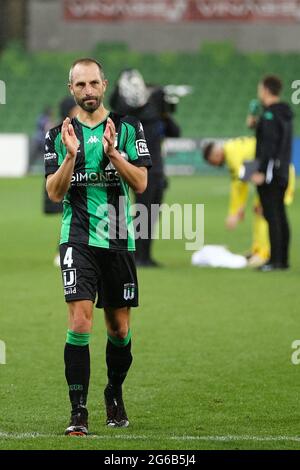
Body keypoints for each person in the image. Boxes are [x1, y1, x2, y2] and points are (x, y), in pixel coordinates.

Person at [44, 58, 152, 435]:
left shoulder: (127, 128)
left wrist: (112, 155)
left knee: (119, 330)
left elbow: (140, 183)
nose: (88, 91)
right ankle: (78, 411)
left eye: (93, 84)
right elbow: (55, 193)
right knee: (79, 322)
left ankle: (114, 392)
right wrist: (71, 157)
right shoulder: (59, 135)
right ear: (70, 88)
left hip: (120, 238)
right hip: (76, 239)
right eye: (80, 85)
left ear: (104, 85)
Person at [110, 69, 180, 267]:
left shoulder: (157, 118)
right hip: (142, 171)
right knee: (143, 214)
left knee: (150, 214)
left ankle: (144, 256)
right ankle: (138, 256)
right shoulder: (135, 117)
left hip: (155, 171)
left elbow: (175, 131)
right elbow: (118, 103)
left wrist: (164, 114)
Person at [203, 137, 295, 267]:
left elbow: (240, 185)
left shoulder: (233, 155)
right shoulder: (233, 148)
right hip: (274, 174)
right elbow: (242, 181)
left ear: (216, 154)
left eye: (213, 162)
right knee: (260, 210)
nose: (215, 165)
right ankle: (258, 250)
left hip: (277, 176)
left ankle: (265, 254)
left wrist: (235, 212)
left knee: (267, 214)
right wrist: (238, 209)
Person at [250, 75, 293, 271]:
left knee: (272, 215)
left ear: (266, 90)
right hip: (283, 171)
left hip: (270, 173)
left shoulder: (269, 116)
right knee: (280, 215)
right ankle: (282, 259)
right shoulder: (283, 114)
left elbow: (268, 147)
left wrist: (261, 172)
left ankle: (275, 261)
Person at [43, 97, 78, 267]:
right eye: (75, 108)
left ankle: (64, 251)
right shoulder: (58, 133)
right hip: (62, 179)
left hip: (74, 181)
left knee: (71, 217)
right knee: (69, 217)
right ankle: (62, 251)